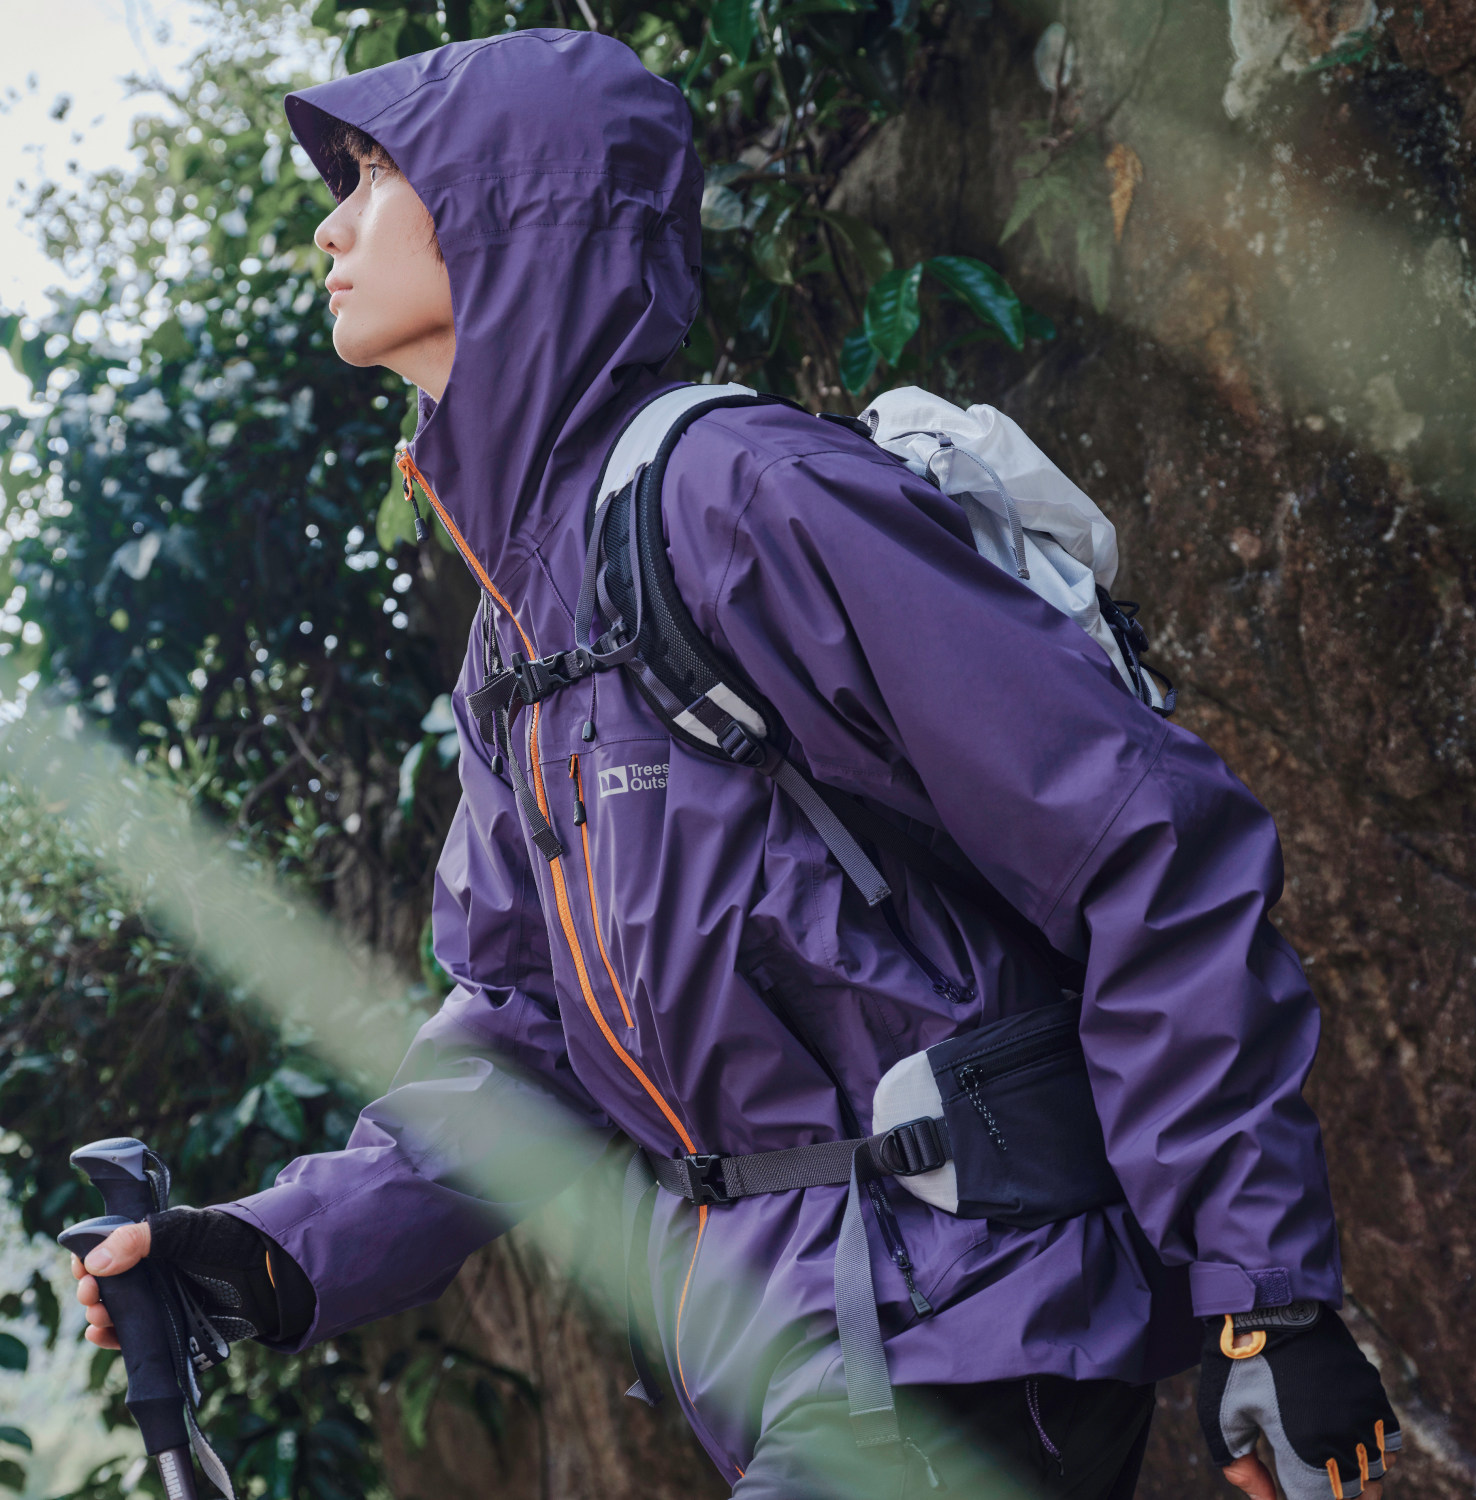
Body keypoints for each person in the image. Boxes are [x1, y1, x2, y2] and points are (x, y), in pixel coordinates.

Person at [71, 30, 1401, 1500]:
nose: (330, 229)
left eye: (374, 176)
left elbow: (1140, 831)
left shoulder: (741, 499)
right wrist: (278, 1252)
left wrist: (1266, 1297)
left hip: (966, 1316)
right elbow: (525, 1026)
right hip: (799, 1350)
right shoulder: (521, 629)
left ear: (518, 213)